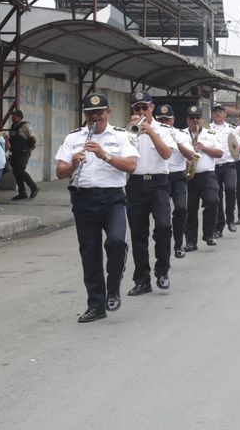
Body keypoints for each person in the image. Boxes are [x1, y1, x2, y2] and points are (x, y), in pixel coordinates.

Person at [54, 93, 138, 322]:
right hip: (83, 199)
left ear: (108, 112)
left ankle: (113, 287)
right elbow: (60, 171)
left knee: (116, 242)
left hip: (113, 199)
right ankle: (96, 305)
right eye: (90, 113)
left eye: (99, 112)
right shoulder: (73, 137)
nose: (94, 117)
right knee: (90, 253)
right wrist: (73, 164)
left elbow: (131, 165)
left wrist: (104, 154)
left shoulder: (121, 136)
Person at [125, 91, 177, 296]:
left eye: (144, 107)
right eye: (136, 108)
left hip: (158, 183)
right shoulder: (126, 131)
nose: (141, 112)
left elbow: (167, 154)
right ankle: (142, 280)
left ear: (152, 108)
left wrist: (151, 132)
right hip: (136, 184)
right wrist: (132, 131)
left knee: (164, 226)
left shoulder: (164, 130)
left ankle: (162, 270)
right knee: (138, 234)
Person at [154, 104, 196, 260]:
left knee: (181, 208)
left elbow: (191, 156)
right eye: (161, 120)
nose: (165, 123)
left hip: (177, 176)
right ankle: (164, 246)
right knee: (162, 218)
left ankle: (179, 243)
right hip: (161, 177)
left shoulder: (181, 135)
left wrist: (176, 142)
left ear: (173, 120)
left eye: (167, 120)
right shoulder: (153, 133)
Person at [182, 105, 222, 252]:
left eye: (197, 117)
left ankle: (209, 234)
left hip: (207, 175)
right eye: (192, 118)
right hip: (188, 176)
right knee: (190, 209)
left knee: (212, 201)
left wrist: (204, 148)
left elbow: (220, 153)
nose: (195, 120)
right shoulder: (181, 134)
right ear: (187, 120)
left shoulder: (210, 134)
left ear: (202, 119)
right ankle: (191, 241)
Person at [209, 104, 240, 237]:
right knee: (217, 197)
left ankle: (230, 218)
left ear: (225, 114)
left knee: (230, 188)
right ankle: (219, 226)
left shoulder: (231, 129)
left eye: (220, 111)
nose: (218, 113)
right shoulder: (206, 129)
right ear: (212, 114)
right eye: (215, 111)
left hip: (229, 164)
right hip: (213, 166)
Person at [7, 109, 39, 200]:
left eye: (15, 116)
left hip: (23, 152)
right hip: (14, 152)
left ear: (20, 117)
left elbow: (33, 138)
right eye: (12, 116)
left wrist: (29, 148)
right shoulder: (13, 126)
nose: (12, 118)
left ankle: (34, 187)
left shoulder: (26, 126)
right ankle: (22, 193)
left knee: (20, 170)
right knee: (16, 172)